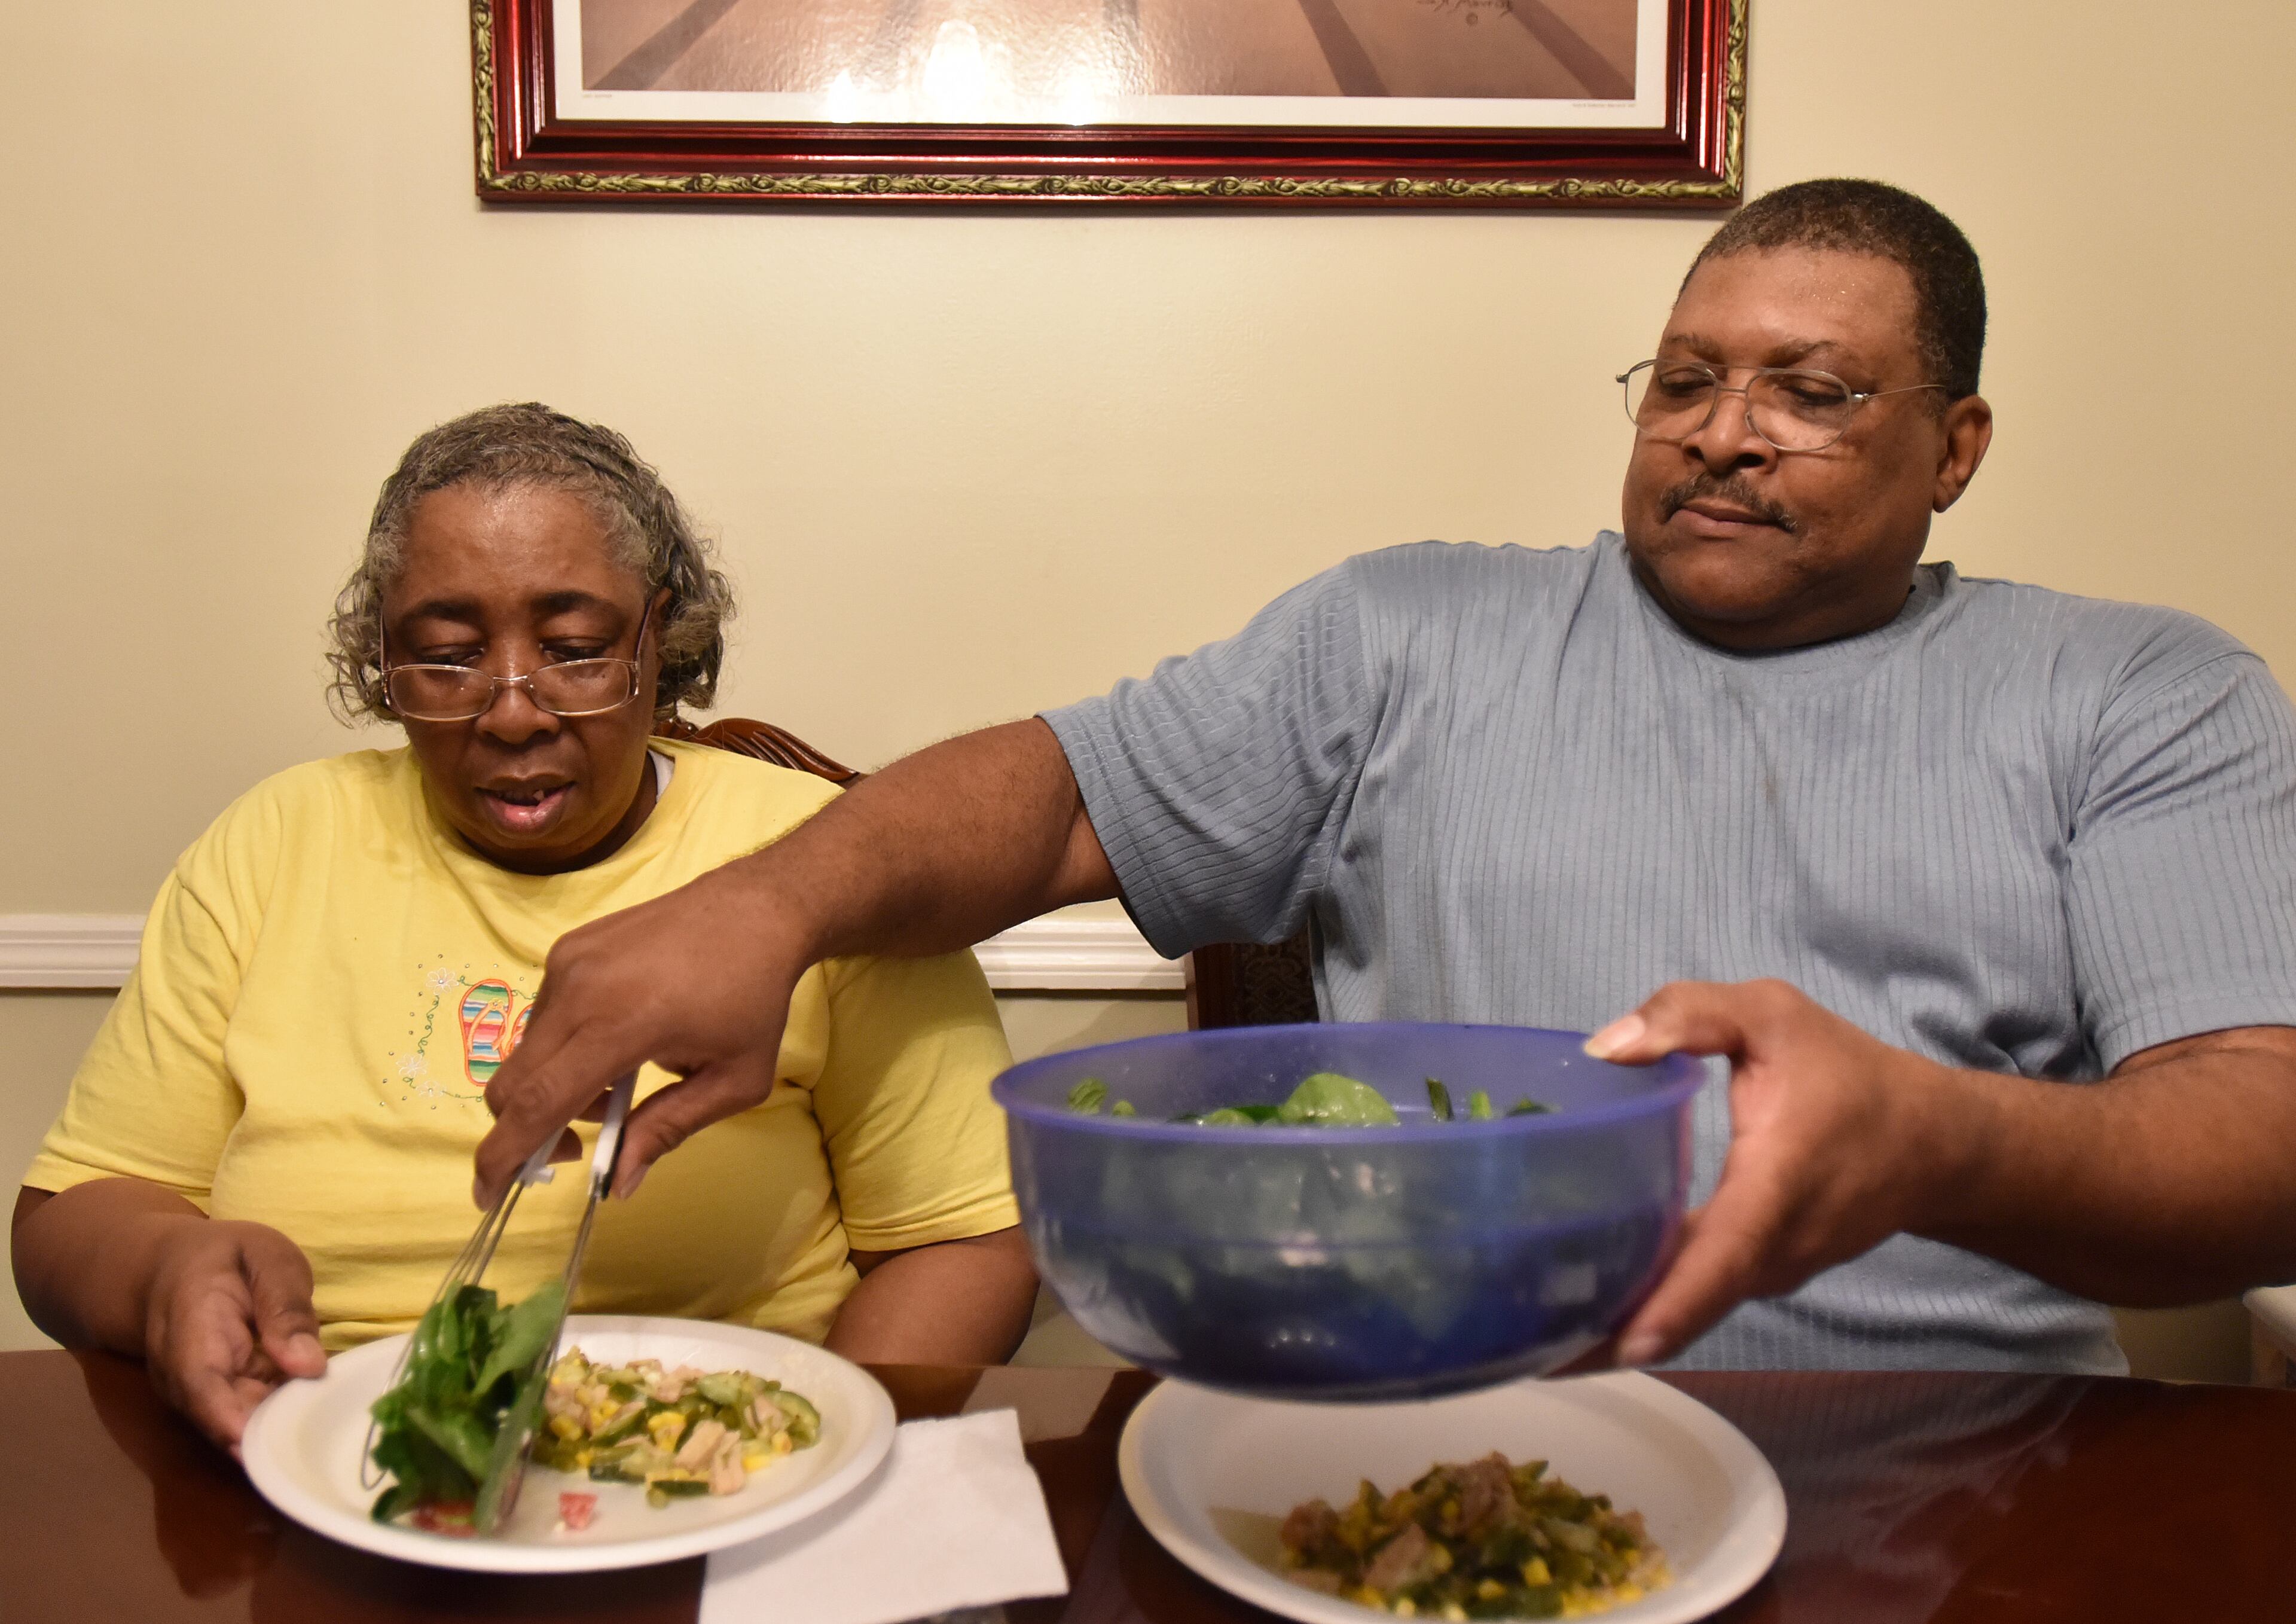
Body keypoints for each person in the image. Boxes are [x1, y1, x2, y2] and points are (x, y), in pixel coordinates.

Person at [469, 181, 2296, 1375]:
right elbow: (1048, 796)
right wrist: (763, 900)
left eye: (1814, 393)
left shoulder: (2140, 693)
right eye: (1685, 380)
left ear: (1956, 447)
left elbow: (2261, 1142)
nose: (1726, 434)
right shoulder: (1400, 637)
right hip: (1428, 1434)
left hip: (1945, 1481)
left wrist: (1933, 1132)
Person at [11, 404, 1037, 1451]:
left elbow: (969, 1240)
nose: (511, 713)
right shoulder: (273, 843)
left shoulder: (827, 867)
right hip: (307, 1453)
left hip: (717, 1467)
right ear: (383, 661)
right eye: (449, 657)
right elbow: (73, 1215)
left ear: (659, 635)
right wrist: (162, 1271)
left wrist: (809, 1453)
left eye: (577, 649)